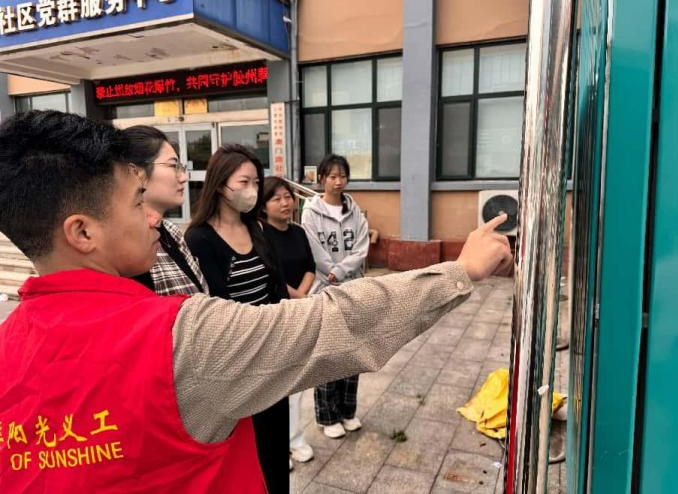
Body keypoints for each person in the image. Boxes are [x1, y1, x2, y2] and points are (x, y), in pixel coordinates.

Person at [0, 111, 512, 493]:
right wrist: (459, 271)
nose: (153, 216)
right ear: (82, 232)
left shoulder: (8, 348)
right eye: (137, 202)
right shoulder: (180, 338)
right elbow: (333, 323)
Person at [184, 145, 289, 493]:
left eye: (256, 182)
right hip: (237, 363)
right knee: (246, 454)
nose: (252, 190)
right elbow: (216, 307)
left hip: (272, 356)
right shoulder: (199, 239)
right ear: (220, 186)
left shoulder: (257, 228)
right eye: (244, 182)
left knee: (275, 449)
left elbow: (276, 288)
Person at [301, 155, 369, 439]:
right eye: (332, 176)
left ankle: (347, 411)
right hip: (326, 289)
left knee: (353, 352)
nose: (338, 181)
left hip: (353, 288)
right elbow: (314, 249)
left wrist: (340, 271)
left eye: (342, 176)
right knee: (329, 354)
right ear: (321, 179)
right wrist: (333, 273)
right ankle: (327, 417)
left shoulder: (355, 211)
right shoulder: (310, 212)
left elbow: (362, 248)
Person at [260, 177, 316, 467]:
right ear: (263, 205)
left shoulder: (298, 231)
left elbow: (310, 267)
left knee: (297, 381)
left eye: (288, 197)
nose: (285, 203)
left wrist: (303, 296)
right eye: (276, 198)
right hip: (276, 314)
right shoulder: (259, 235)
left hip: (300, 312)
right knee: (275, 384)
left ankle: (295, 439)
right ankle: (277, 444)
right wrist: (297, 298)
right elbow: (272, 276)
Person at [122, 125, 208, 296]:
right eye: (173, 165)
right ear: (136, 173)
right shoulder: (125, 247)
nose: (184, 177)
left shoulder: (172, 231)